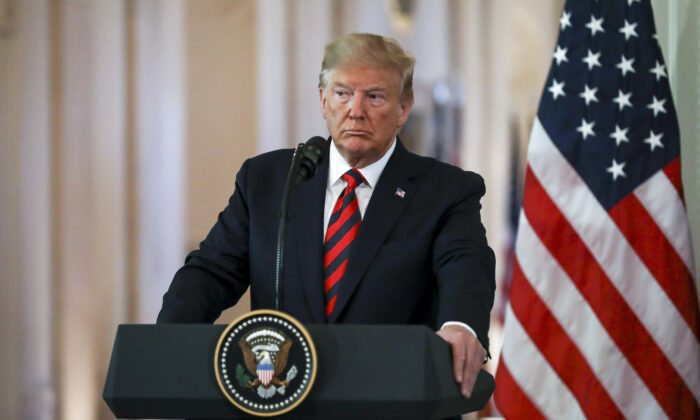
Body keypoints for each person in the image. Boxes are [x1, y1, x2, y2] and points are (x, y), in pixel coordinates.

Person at [157, 33, 495, 400]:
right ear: (323, 100)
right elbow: (212, 271)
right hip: (282, 400)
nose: (356, 109)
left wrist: (461, 326)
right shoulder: (269, 180)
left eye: (375, 96)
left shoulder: (445, 189)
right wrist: (170, 339)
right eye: (342, 93)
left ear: (403, 109)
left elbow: (465, 264)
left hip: (393, 399)